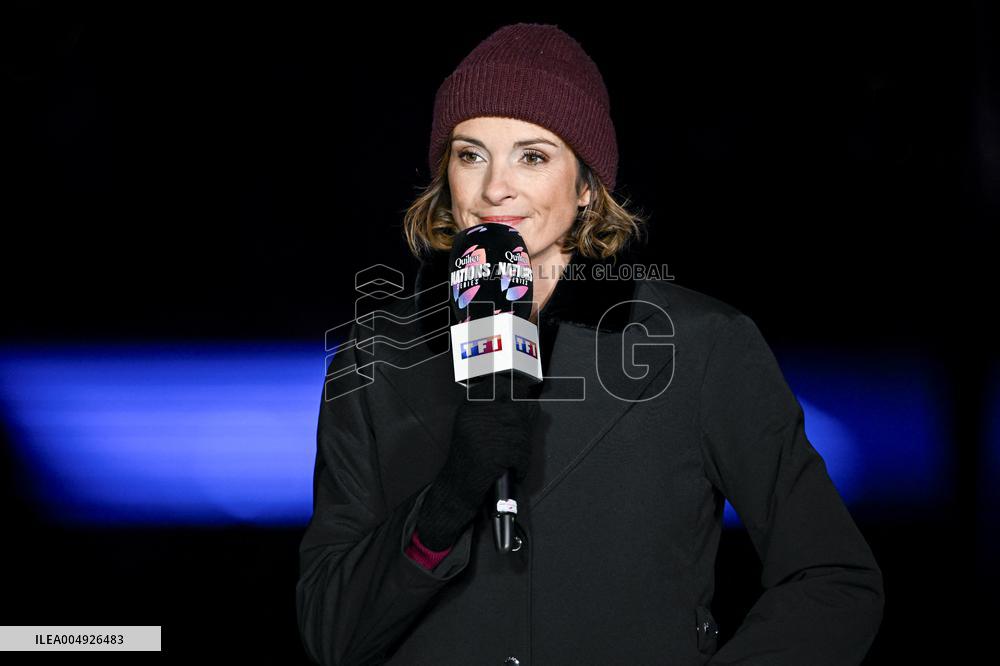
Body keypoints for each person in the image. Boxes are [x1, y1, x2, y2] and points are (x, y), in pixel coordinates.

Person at [296, 22, 884, 666]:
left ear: (585, 186)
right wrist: (447, 501)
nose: (496, 188)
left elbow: (833, 580)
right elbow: (332, 634)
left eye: (533, 155)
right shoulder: (376, 356)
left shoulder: (702, 346)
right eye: (470, 154)